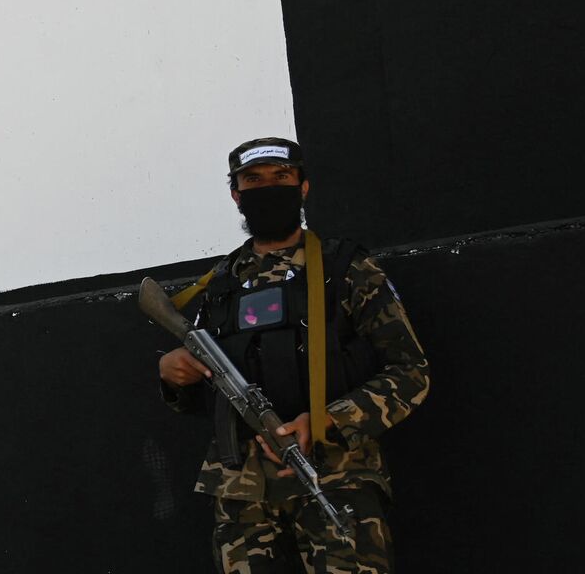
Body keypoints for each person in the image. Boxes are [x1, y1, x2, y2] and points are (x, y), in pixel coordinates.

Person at [158, 137, 430, 572]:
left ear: (302, 187)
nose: (267, 188)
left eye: (280, 177)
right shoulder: (223, 283)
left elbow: (410, 372)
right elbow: (207, 390)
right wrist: (174, 376)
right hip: (241, 491)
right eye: (253, 180)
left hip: (336, 478)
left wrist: (327, 420)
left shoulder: (345, 269)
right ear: (236, 194)